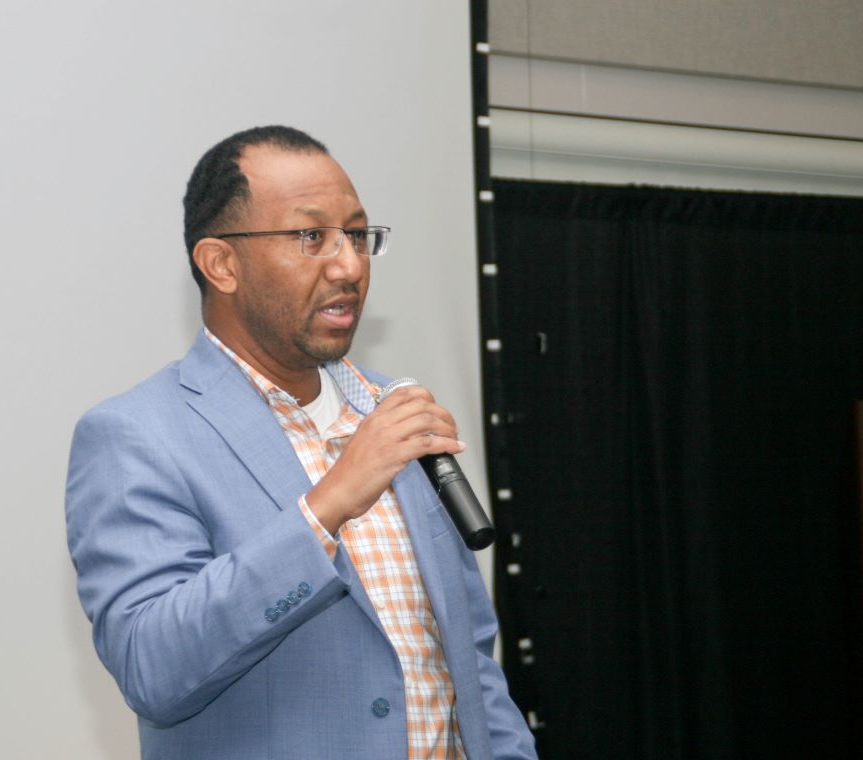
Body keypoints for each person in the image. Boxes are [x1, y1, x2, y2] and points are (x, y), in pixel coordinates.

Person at [65, 125, 537, 760]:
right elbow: (152, 667)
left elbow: (470, 658)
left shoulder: (392, 409)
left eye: (357, 236)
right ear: (221, 264)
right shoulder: (137, 435)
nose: (350, 266)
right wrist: (327, 505)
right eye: (311, 237)